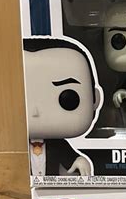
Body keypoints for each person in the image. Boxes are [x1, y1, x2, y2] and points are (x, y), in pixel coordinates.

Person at [23, 38, 102, 177]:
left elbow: (70, 158)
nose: (34, 111)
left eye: (68, 99)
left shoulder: (58, 145)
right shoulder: (12, 148)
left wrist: (79, 161)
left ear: (95, 99)